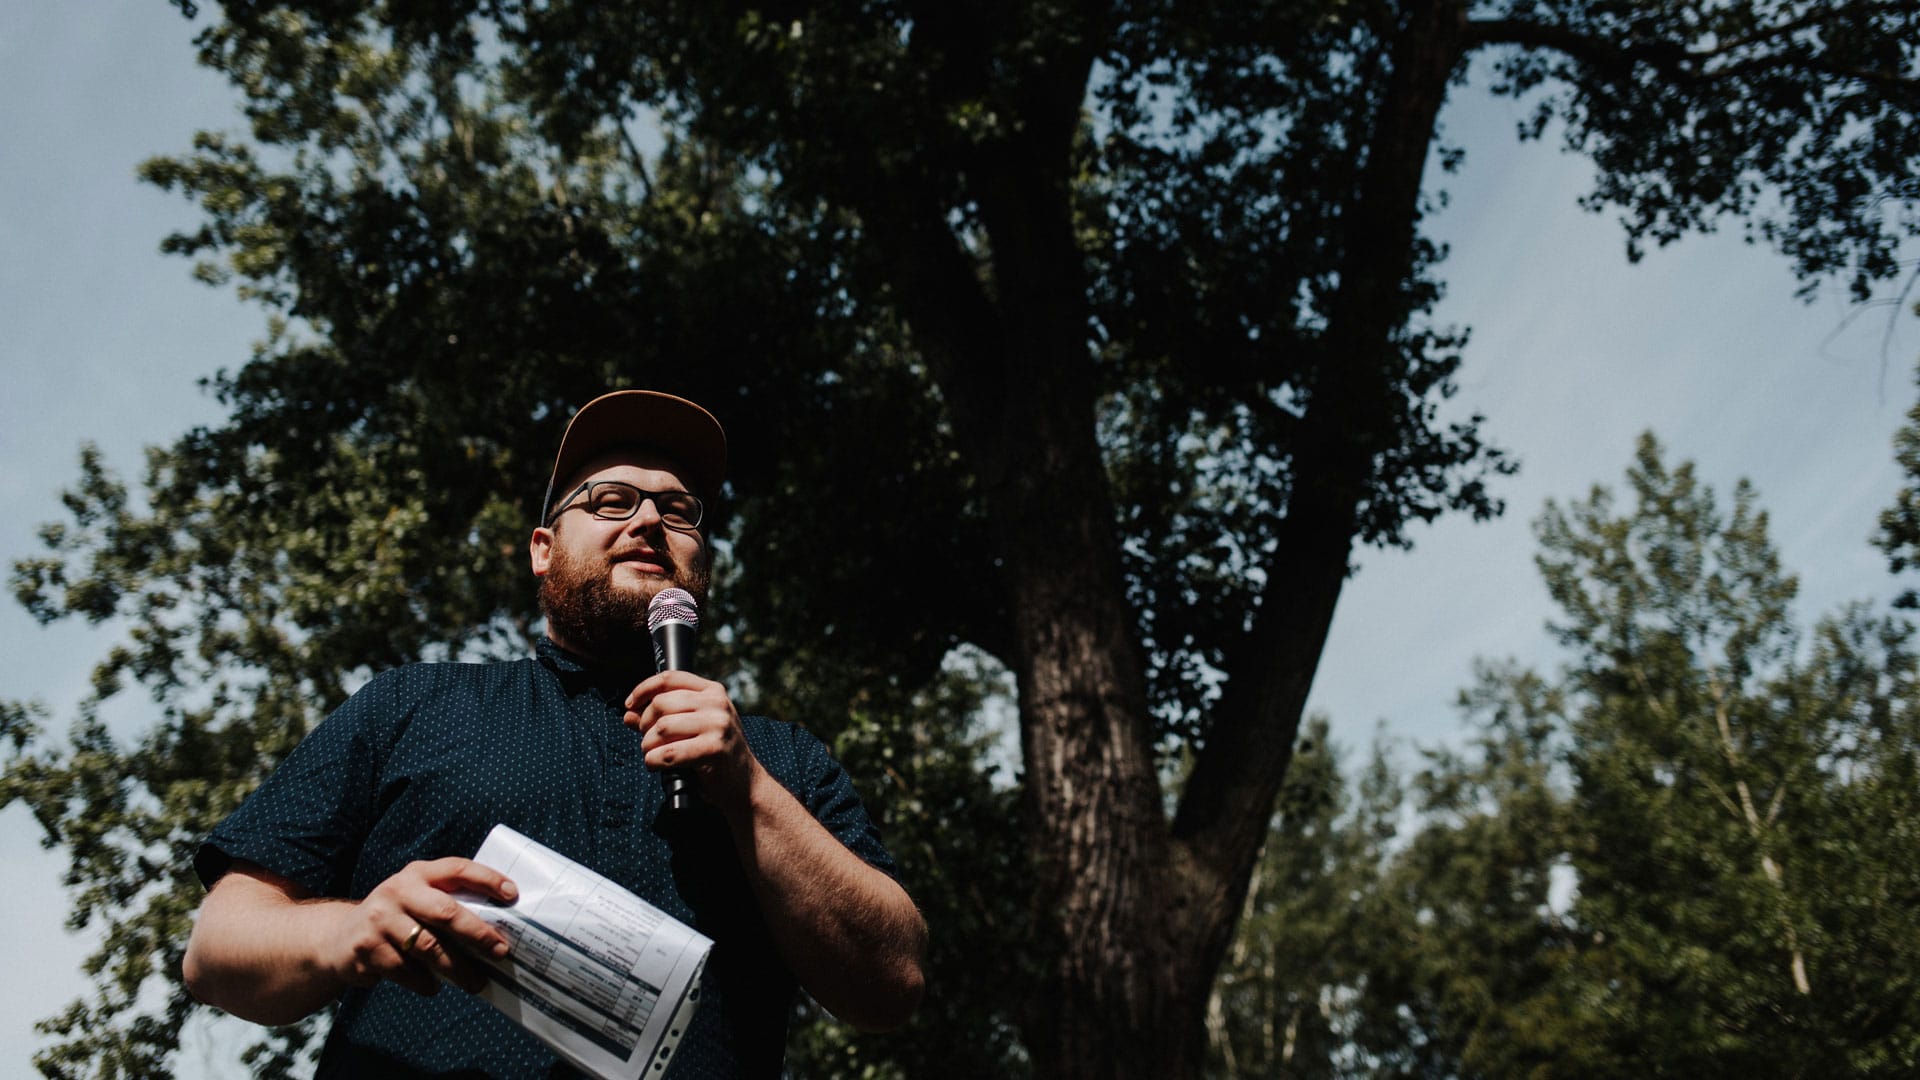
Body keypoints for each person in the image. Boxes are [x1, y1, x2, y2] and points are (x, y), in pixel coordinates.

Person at [182, 390, 927, 1077]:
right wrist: (351, 929)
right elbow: (218, 949)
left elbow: (893, 982)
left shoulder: (783, 760)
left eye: (678, 511)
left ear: (702, 567)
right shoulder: (412, 703)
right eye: (611, 500)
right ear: (543, 549)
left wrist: (751, 793)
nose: (647, 522)